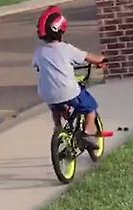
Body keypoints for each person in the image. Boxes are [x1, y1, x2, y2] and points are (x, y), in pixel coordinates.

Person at [32, 6, 107, 149]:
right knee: (91, 107)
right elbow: (89, 57)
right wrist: (102, 60)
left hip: (47, 94)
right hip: (68, 91)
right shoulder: (66, 48)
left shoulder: (39, 52)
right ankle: (89, 131)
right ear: (61, 30)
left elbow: (36, 66)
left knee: (55, 106)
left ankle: (58, 128)